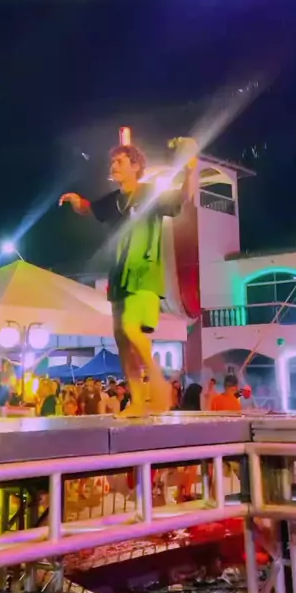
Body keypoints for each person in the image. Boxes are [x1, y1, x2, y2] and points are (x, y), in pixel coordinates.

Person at [60, 141, 197, 418]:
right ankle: (137, 402)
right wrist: (76, 201)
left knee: (131, 328)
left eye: (120, 162)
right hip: (119, 275)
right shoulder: (113, 200)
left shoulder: (150, 193)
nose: (113, 166)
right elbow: (89, 208)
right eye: (113, 162)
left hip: (144, 272)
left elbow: (182, 198)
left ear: (136, 166)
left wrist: (191, 170)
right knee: (122, 340)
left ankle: (158, 383)